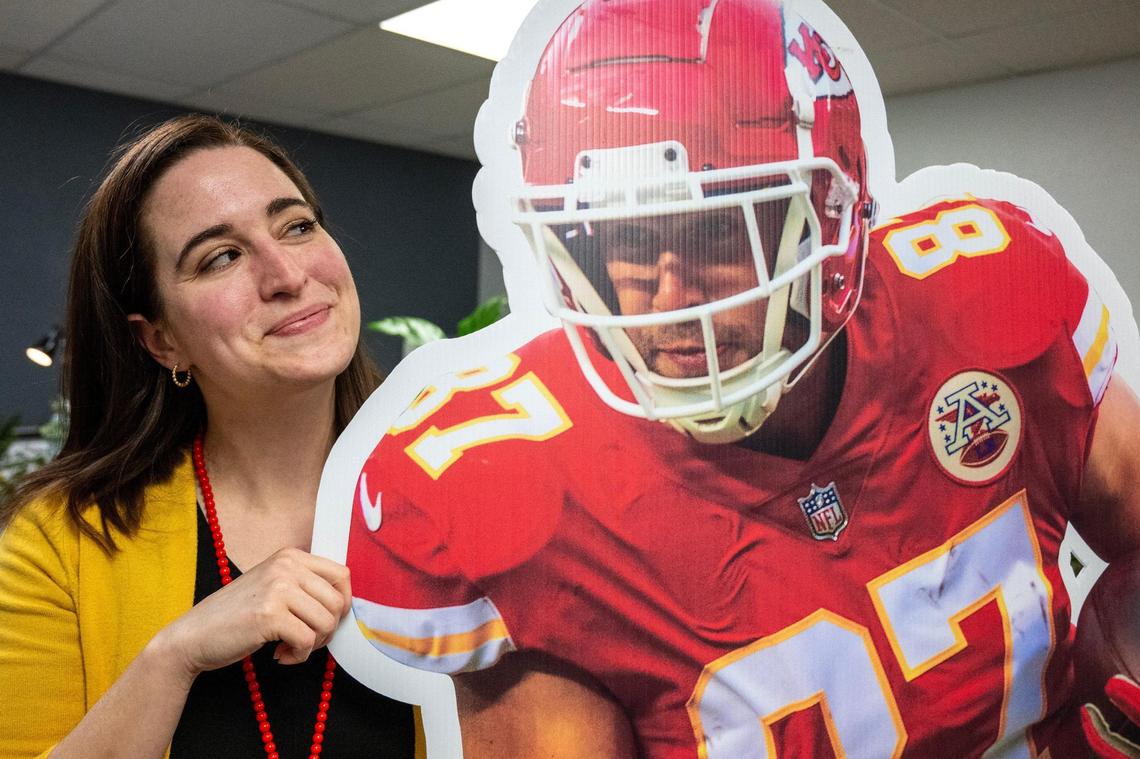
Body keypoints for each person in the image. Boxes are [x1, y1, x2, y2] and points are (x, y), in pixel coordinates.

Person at [343, 0, 1140, 757]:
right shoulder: (510, 484)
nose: (668, 300)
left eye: (718, 228)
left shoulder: (984, 295)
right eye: (625, 241)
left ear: (829, 218)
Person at [0, 115, 420, 758]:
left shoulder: (473, 486)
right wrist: (174, 656)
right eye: (220, 256)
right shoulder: (60, 540)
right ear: (161, 339)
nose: (286, 274)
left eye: (297, 226)